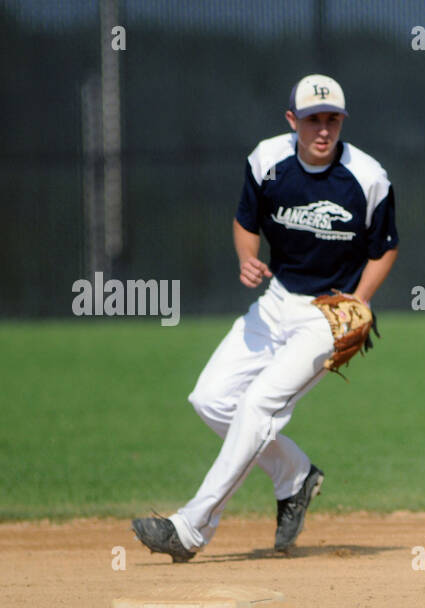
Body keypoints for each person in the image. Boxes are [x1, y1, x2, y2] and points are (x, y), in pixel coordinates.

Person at [132, 74, 398, 562]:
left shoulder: (368, 177)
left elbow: (385, 249)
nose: (323, 128)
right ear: (292, 119)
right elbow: (245, 222)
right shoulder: (267, 161)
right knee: (209, 398)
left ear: (342, 121)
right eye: (313, 118)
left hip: (326, 315)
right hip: (276, 303)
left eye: (332, 119)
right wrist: (246, 256)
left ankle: (190, 528)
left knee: (257, 405)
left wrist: (359, 300)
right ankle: (294, 474)